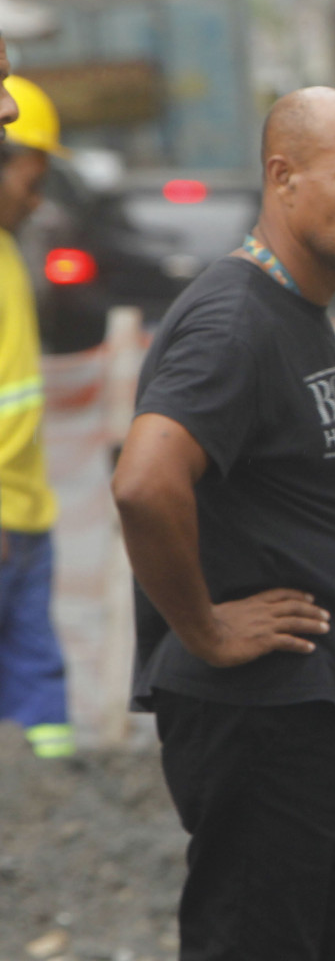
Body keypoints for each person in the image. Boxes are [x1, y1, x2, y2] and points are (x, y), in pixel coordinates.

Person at [111, 88, 335, 961]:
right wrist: (207, 627)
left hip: (334, 709)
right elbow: (146, 484)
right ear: (284, 178)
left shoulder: (292, 312)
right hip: (267, 718)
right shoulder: (233, 320)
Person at [0, 73, 75, 760]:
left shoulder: (8, 250)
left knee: (36, 679)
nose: (37, 193)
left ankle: (56, 800)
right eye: (33, 173)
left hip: (24, 515)